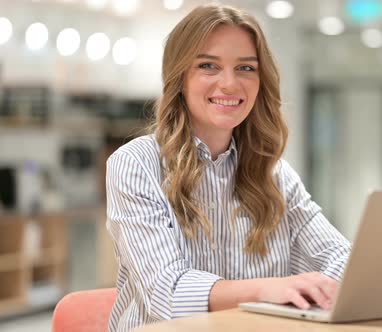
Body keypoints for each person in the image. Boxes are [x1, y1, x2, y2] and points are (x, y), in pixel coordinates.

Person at [105, 3, 351, 331]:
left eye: (246, 68)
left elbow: (341, 259)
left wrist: (316, 288)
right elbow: (168, 293)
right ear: (180, 77)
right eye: (209, 66)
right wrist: (267, 289)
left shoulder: (274, 175)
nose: (230, 84)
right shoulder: (136, 165)